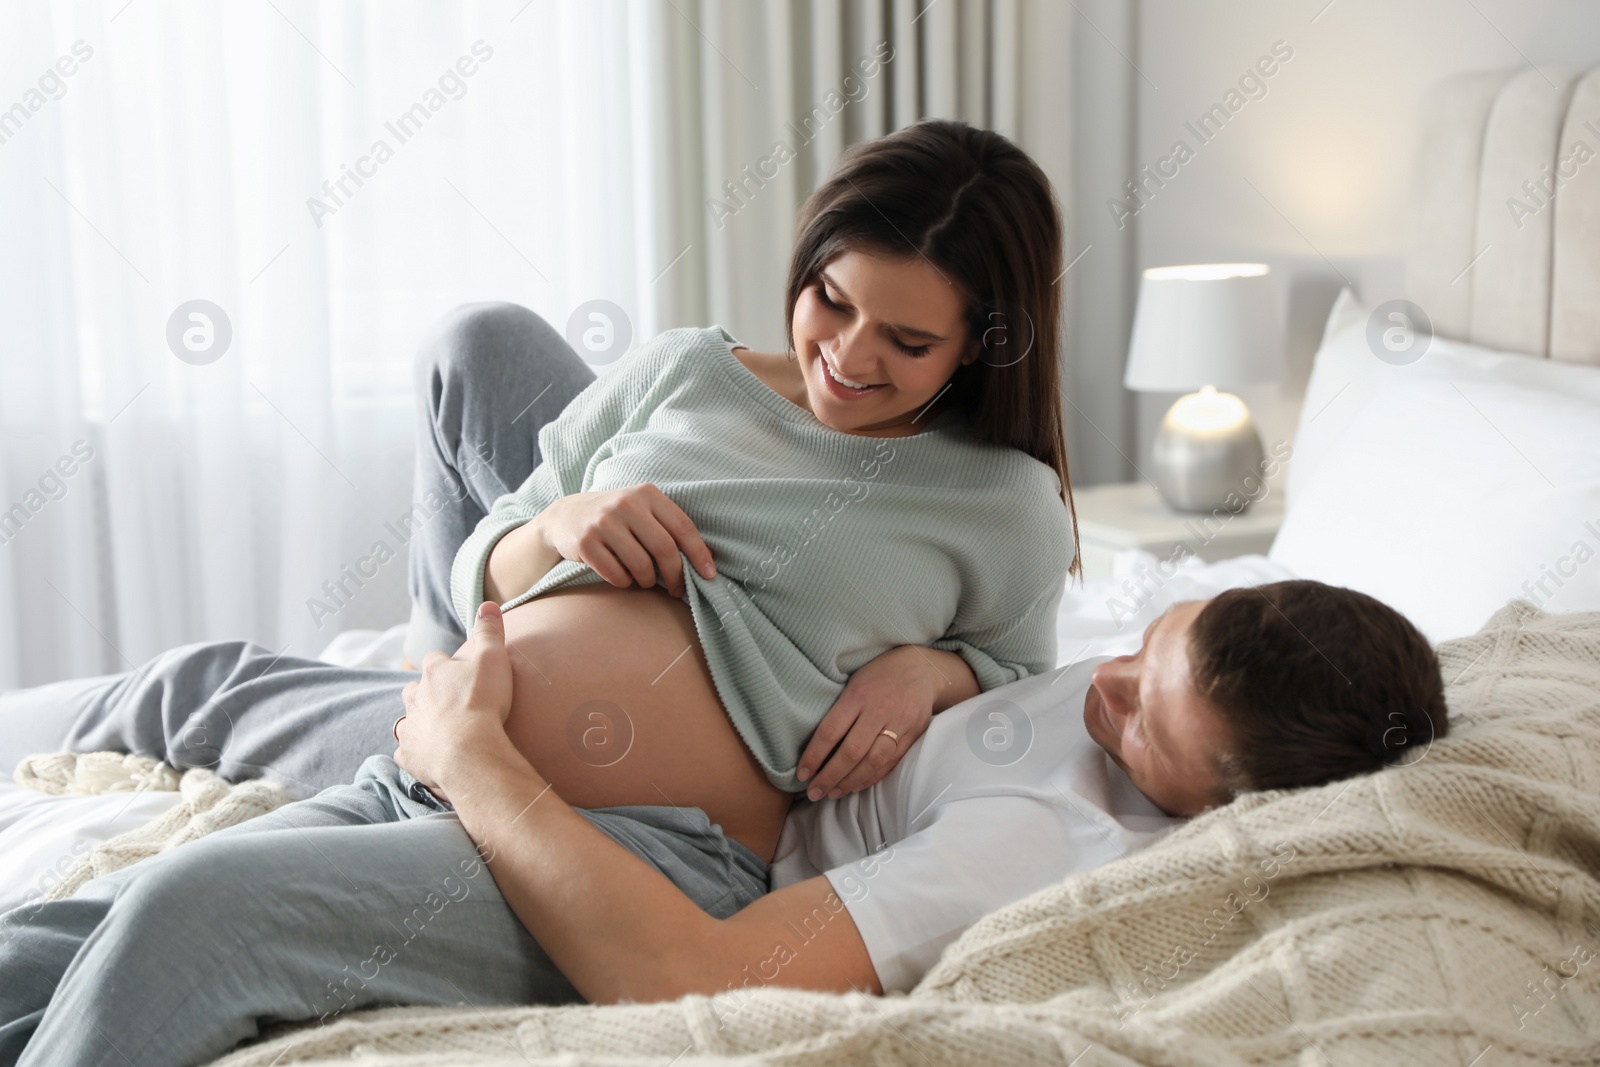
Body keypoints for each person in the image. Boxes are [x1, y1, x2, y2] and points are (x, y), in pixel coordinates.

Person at [0, 575, 1446, 1066]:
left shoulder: (1043, 843)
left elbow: (687, 973)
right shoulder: (1176, 675)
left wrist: (472, 755)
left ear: (1217, 812)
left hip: (647, 850)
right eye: (1149, 644)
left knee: (196, 916)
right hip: (602, 749)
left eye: (1145, 730)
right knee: (52, 946)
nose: (1108, 690)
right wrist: (953, 668)